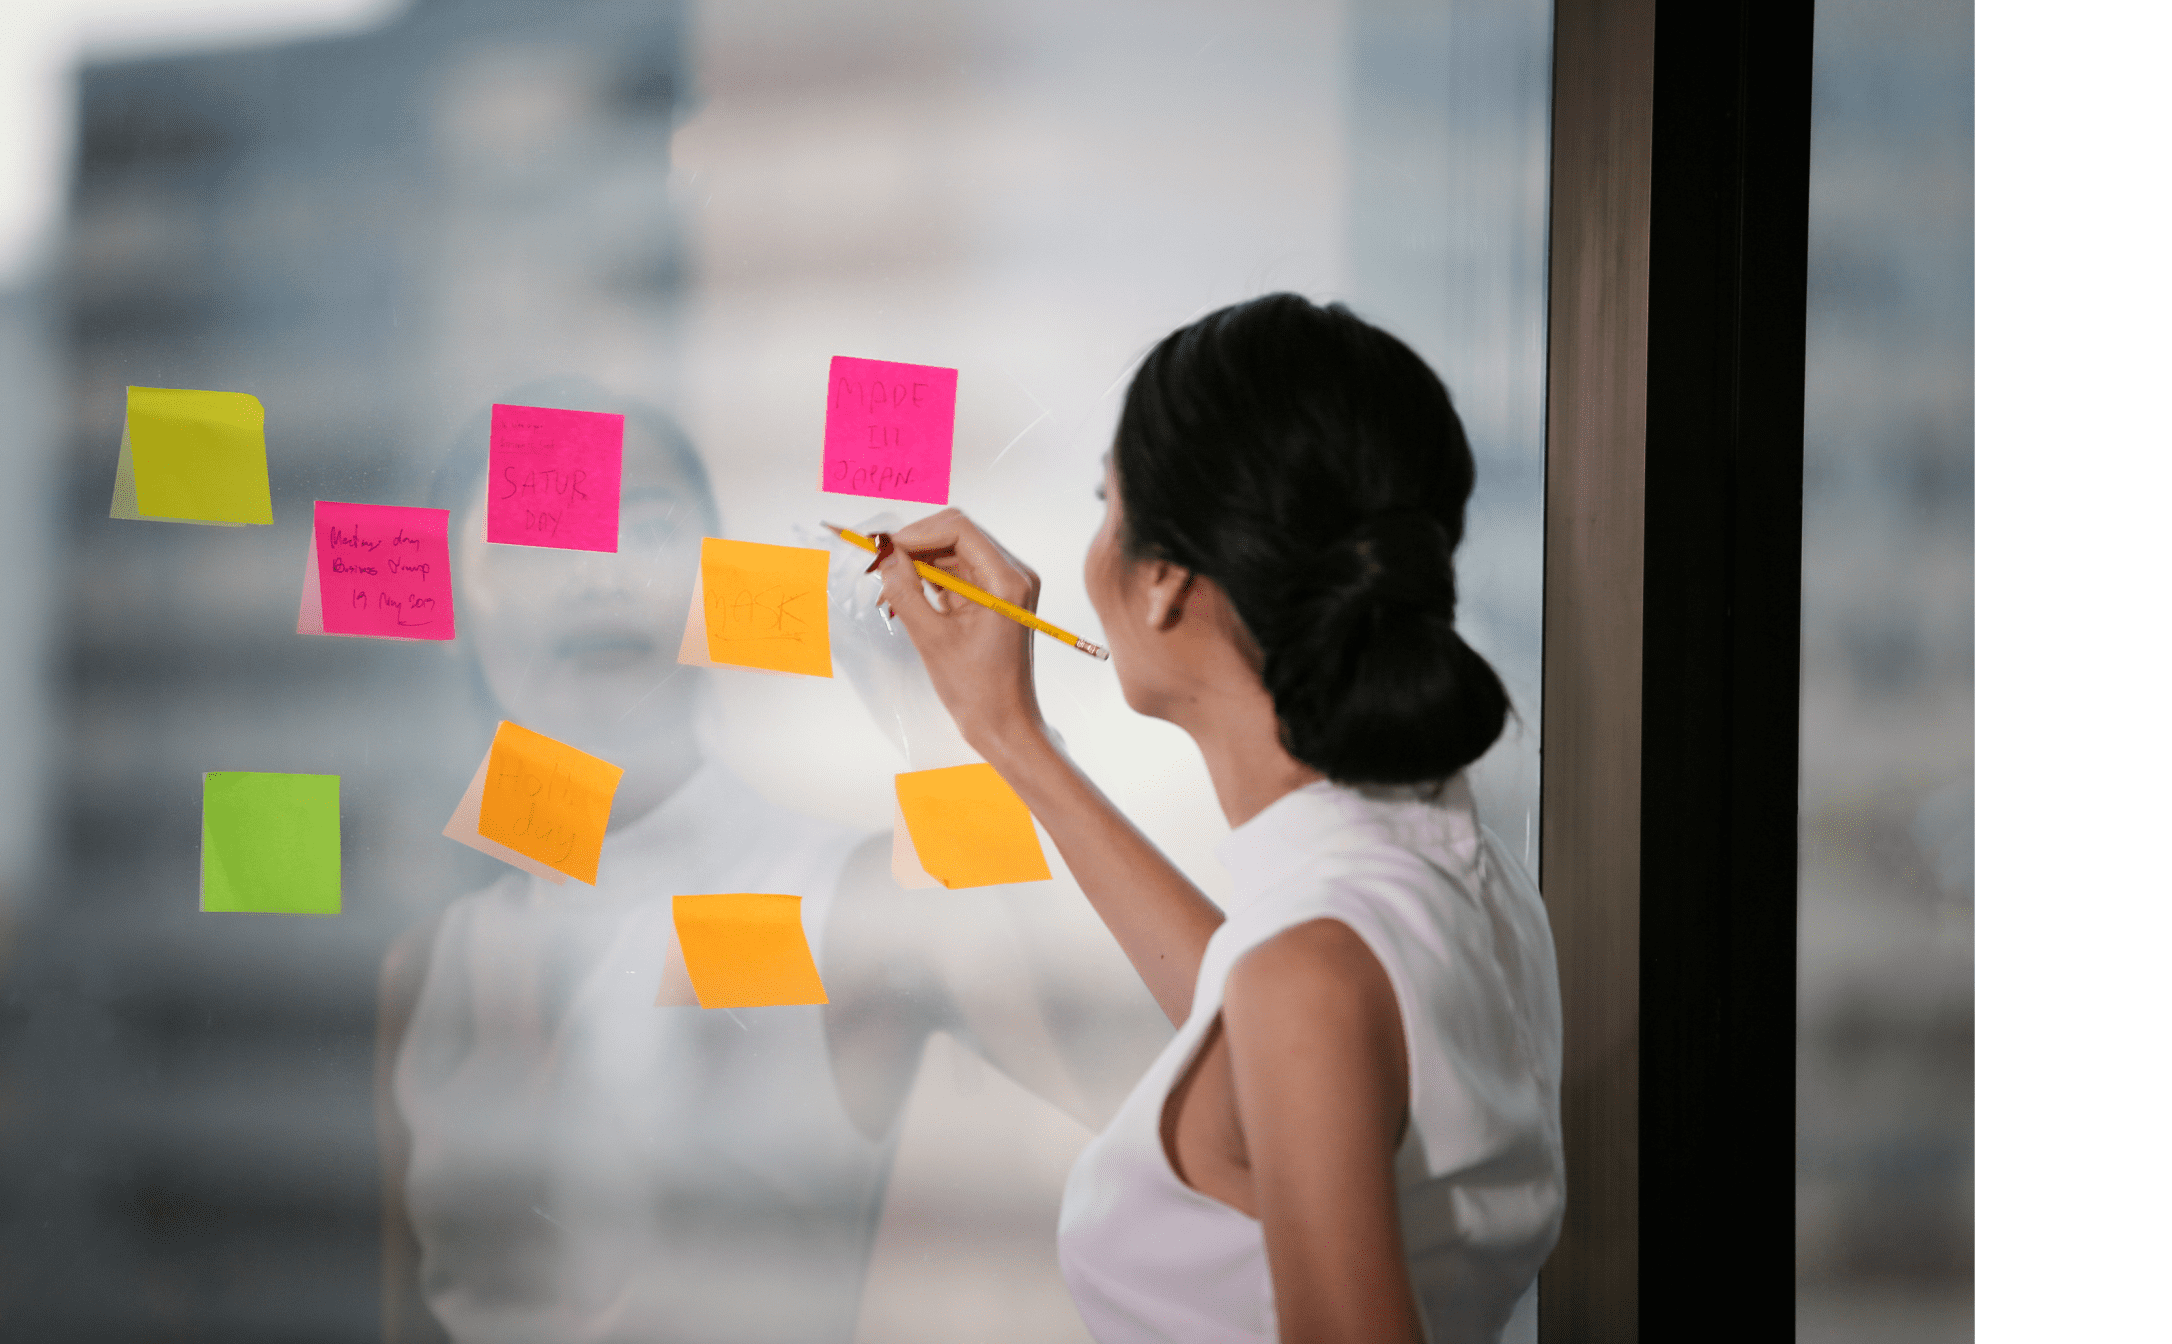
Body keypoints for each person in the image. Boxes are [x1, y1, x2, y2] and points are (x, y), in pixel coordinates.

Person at [376, 380, 1156, 1344]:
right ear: (453, 605)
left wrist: (965, 728)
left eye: (645, 527)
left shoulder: (841, 898)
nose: (594, 573)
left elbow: (1124, 1084)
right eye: (535, 540)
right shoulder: (430, 965)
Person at [873, 295, 1563, 1344]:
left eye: (1108, 504)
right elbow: (1267, 1035)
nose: (1092, 542)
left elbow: (1293, 1010)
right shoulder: (1454, 877)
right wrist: (1010, 733)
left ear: (1160, 581)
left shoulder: (1315, 974)